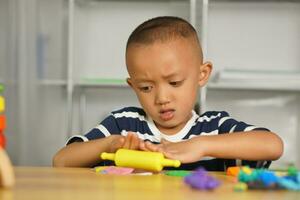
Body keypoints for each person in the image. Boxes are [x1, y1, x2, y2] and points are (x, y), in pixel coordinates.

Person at [53, 16, 283, 170]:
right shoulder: (123, 125)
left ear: (202, 75)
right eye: (146, 88)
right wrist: (110, 145)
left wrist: (201, 146)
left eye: (174, 83)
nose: (162, 98)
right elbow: (61, 161)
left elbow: (273, 145)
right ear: (133, 86)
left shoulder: (215, 127)